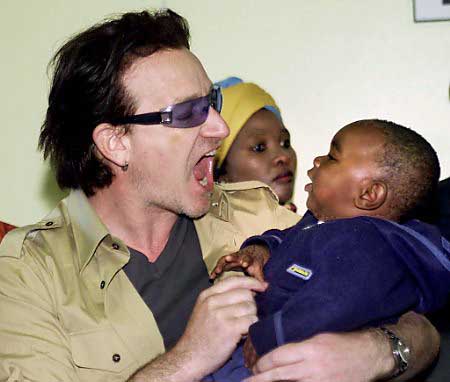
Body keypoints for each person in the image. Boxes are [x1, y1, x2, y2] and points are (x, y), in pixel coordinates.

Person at [0, 9, 438, 382]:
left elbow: (414, 312)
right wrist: (190, 356)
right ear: (116, 143)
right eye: (188, 112)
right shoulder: (27, 272)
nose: (220, 127)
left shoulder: (258, 214)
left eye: (210, 102)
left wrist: (378, 352)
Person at [209, 120, 450, 381]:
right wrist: (260, 249)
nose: (317, 160)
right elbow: (288, 238)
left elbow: (334, 303)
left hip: (284, 356)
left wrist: (269, 335)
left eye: (332, 157)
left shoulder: (367, 246)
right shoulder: (322, 226)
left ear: (369, 194)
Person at [214, 77, 298, 211]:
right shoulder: (209, 231)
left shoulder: (313, 227)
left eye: (285, 143)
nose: (283, 157)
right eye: (259, 148)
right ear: (221, 175)